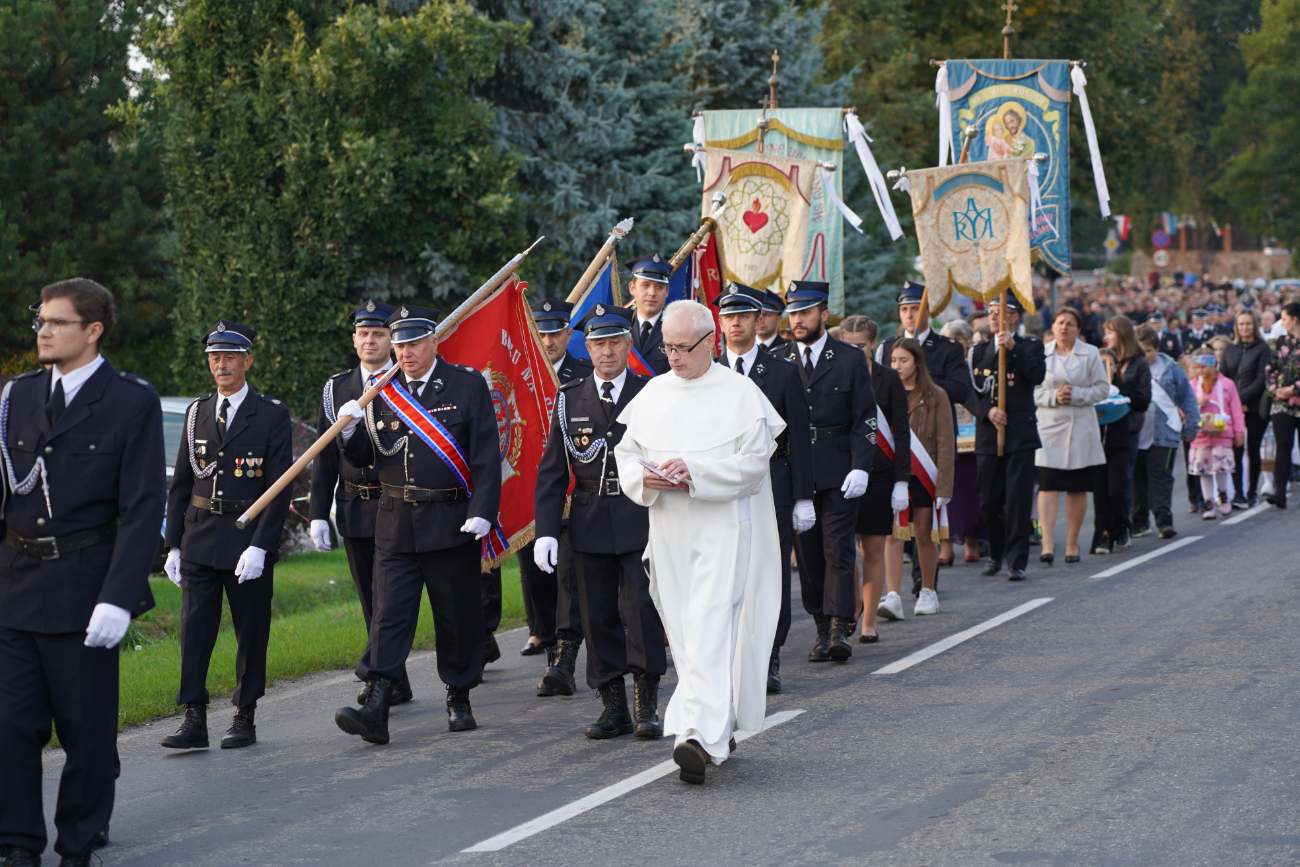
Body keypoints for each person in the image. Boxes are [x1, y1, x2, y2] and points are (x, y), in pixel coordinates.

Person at [0, 279, 165, 867]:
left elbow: (144, 505)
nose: (42, 330)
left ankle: (77, 842)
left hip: (85, 586)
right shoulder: (15, 397)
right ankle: (18, 842)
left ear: (93, 330)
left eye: (56, 322)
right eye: (40, 319)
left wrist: (120, 597)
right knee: (10, 725)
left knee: (86, 734)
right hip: (16, 583)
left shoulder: (129, 401)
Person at [615, 300, 784, 785]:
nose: (673, 357)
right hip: (668, 529)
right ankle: (715, 728)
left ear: (710, 341)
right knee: (686, 633)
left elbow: (754, 465)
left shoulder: (740, 393)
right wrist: (649, 479)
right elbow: (627, 458)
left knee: (711, 626)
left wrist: (698, 471)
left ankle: (693, 735)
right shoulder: (652, 393)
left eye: (683, 347)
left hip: (722, 529)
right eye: (667, 346)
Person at [331, 305, 501, 742]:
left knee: (456, 617)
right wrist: (350, 433)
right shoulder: (381, 393)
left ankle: (459, 695)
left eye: (413, 343)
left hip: (450, 521)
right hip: (395, 521)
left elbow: (485, 454)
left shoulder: (466, 385)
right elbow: (366, 459)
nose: (405, 352)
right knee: (389, 615)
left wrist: (482, 510)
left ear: (433, 342)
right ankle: (377, 702)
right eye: (400, 344)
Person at [533, 304, 667, 739]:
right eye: (598, 343)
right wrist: (546, 531)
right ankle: (613, 705)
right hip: (589, 520)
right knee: (596, 616)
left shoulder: (653, 393)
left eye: (615, 342)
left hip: (641, 517)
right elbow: (553, 471)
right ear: (586, 347)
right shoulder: (568, 398)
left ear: (628, 344)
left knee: (642, 610)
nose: (607, 351)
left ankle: (646, 703)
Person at [162, 319, 294, 750]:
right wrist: (172, 544)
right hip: (200, 536)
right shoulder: (197, 411)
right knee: (194, 630)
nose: (222, 365)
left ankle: (244, 715)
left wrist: (261, 545)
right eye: (215, 358)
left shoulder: (271, 414)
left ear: (247, 361)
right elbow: (182, 482)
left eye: (230, 358)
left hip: (245, 540)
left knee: (250, 631)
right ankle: (194, 718)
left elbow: (279, 489)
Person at [308, 299, 414, 706]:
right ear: (354, 340)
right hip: (353, 505)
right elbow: (324, 452)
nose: (370, 340)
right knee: (371, 599)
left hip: (395, 503)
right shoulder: (337, 388)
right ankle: (395, 679)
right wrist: (318, 513)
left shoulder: (405, 381)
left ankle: (379, 678)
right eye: (363, 334)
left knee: (390, 596)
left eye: (378, 334)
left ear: (391, 339)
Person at [712, 283, 814, 693]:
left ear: (758, 321)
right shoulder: (710, 372)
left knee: (770, 573)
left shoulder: (784, 372)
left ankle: (770, 654)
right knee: (727, 572)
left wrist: (804, 496)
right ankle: (733, 653)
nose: (735, 323)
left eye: (743, 316)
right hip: (721, 485)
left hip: (774, 481)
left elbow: (801, 437)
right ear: (719, 323)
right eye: (728, 316)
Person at [778, 281, 877, 661]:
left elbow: (865, 416)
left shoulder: (850, 358)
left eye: (805, 312)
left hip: (838, 467)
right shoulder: (779, 358)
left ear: (824, 314)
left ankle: (839, 626)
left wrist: (861, 467)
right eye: (793, 312)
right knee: (808, 554)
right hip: (797, 471)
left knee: (838, 548)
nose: (798, 319)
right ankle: (820, 622)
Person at [518, 299, 591, 665]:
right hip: (531, 485)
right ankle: (545, 634)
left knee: (567, 572)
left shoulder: (585, 373)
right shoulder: (519, 373)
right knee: (535, 571)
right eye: (541, 333)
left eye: (556, 333)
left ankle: (565, 651)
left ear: (567, 334)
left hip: (575, 486)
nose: (548, 341)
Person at [838, 316, 908, 640]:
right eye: (847, 345)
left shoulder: (888, 379)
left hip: (879, 473)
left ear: (873, 345)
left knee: (873, 550)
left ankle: (869, 624)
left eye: (861, 346)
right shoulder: (835, 373)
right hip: (844, 474)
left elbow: (901, 431)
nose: (854, 351)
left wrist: (902, 480)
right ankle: (851, 611)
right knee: (844, 551)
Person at [970, 293, 1046, 580]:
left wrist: (1013, 348)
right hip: (990, 433)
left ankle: (1017, 560)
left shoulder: (1031, 346)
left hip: (1019, 433)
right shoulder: (977, 351)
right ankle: (996, 553)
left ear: (1014, 317)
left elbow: (1037, 375)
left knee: (1018, 500)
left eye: (999, 311)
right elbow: (969, 391)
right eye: (990, 312)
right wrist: (988, 411)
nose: (992, 316)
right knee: (989, 499)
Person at [1033, 307, 1108, 565]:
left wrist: (1076, 395)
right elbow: (1031, 390)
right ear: (1052, 327)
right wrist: (1054, 396)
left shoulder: (1090, 353)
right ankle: (1047, 542)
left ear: (1078, 329)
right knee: (1047, 485)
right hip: (1049, 427)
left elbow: (1102, 389)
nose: (1064, 327)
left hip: (1080, 427)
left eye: (1070, 324)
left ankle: (1072, 542)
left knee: (1077, 488)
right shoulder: (1040, 353)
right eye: (1060, 323)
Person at [887, 339, 954, 616]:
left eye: (903, 360)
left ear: (917, 362)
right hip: (894, 475)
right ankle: (892, 595)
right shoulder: (885, 393)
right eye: (893, 360)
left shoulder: (936, 395)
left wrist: (944, 485)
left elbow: (946, 443)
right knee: (893, 536)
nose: (897, 366)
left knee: (925, 535)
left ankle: (928, 591)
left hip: (924, 475)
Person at [1132, 325, 1201, 538]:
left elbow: (1188, 399)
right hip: (1135, 433)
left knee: (1160, 477)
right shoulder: (1129, 368)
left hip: (1164, 434)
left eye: (1149, 350)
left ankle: (1164, 520)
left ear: (1156, 348)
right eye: (1141, 350)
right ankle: (1139, 521)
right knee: (1137, 479)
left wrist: (1191, 426)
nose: (1145, 355)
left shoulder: (1171, 369)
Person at [1092, 317, 1151, 552]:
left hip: (1127, 429)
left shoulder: (1138, 363)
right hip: (1098, 432)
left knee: (1121, 484)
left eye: (1111, 331)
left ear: (1123, 334)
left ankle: (1122, 526)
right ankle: (1104, 532)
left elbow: (1144, 399)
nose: (1107, 336)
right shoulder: (1100, 357)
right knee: (1101, 487)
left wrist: (1121, 392)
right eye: (1105, 331)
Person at [1188, 352, 1246, 518]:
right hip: (1201, 435)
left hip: (1222, 432)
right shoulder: (1192, 385)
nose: (1200, 370)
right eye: (1197, 367)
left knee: (1221, 467)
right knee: (1203, 469)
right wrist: (1196, 403)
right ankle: (1209, 502)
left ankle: (1223, 494)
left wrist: (1239, 432)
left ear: (1214, 366)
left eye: (1204, 367)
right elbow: (1184, 405)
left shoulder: (1227, 384)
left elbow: (1236, 409)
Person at [1222, 310, 1270, 507]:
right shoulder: (1229, 349)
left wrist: (1240, 399)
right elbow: (1223, 377)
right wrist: (1232, 402)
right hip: (1234, 409)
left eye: (1248, 324)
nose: (1244, 328)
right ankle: (1238, 493)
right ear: (1236, 326)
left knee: (1253, 449)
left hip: (1254, 407)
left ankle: (1252, 492)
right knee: (1236, 450)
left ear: (1254, 325)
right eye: (1241, 324)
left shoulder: (1263, 348)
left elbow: (1262, 380)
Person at [1264, 303, 1300, 509]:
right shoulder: (1280, 342)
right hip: (1282, 404)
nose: (1282, 323)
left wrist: (1292, 389)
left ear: (1295, 319)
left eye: (1285, 319)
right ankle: (1279, 493)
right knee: (1283, 446)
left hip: (1294, 397)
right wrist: (1275, 390)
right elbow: (1270, 369)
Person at [627, 253, 672, 375]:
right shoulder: (621, 327)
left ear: (667, 291)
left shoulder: (677, 329)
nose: (652, 293)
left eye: (659, 287)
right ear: (632, 288)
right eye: (645, 285)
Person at [757, 289, 792, 355]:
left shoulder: (791, 348)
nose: (761, 320)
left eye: (766, 314)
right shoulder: (742, 345)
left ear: (778, 320)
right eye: (757, 314)